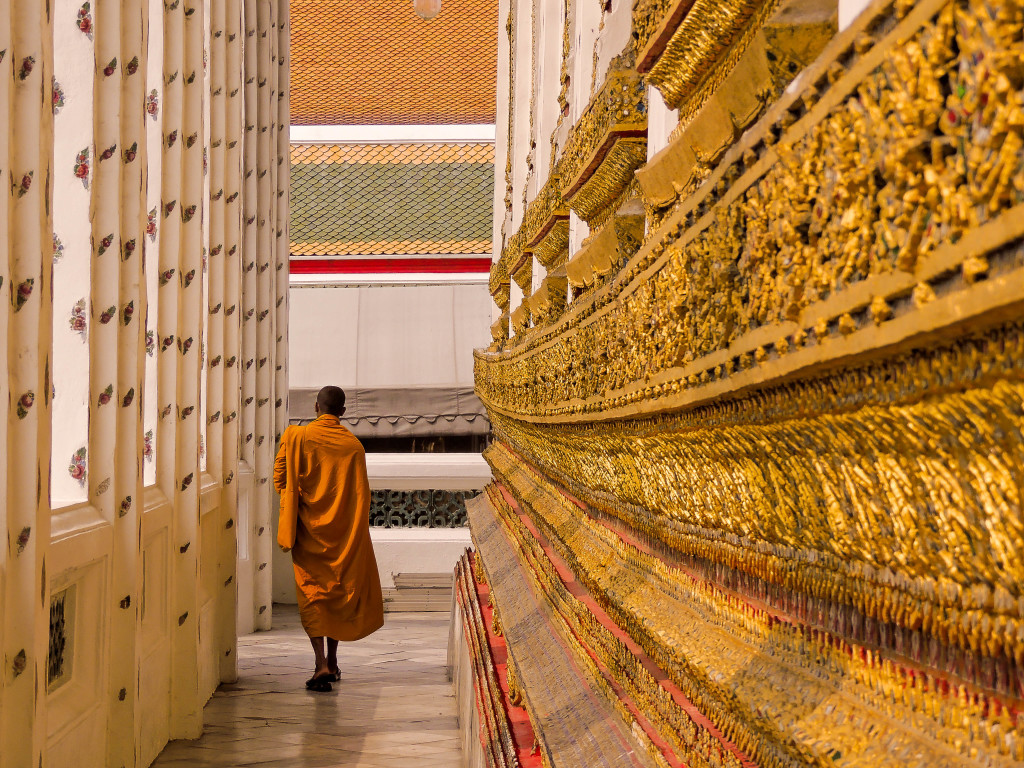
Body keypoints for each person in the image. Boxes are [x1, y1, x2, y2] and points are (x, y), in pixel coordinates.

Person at [274, 385, 384, 692]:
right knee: (336, 594)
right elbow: (360, 497)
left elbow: (280, 479)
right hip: (341, 537)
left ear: (315, 408)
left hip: (308, 534)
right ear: (343, 412)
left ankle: (320, 663)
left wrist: (304, 499)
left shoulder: (296, 438)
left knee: (314, 596)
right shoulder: (353, 447)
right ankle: (333, 662)